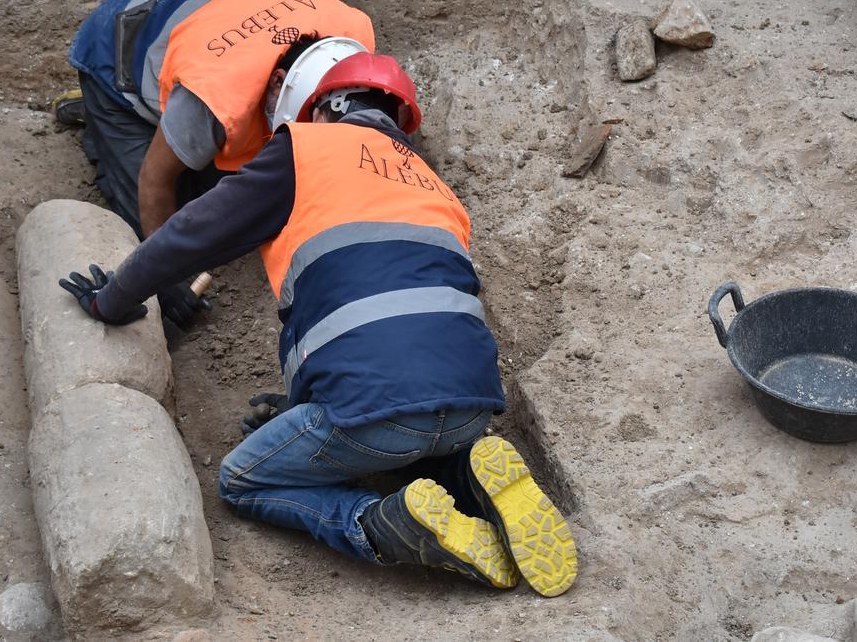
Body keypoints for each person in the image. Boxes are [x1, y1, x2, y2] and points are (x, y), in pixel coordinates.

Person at [58, 54, 578, 596]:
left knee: (244, 480)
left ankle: (384, 525)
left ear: (326, 108)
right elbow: (407, 320)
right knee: (408, 430)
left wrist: (112, 301)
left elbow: (193, 233)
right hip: (471, 407)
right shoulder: (434, 187)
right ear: (398, 121)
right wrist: (297, 404)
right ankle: (470, 477)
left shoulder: (303, 150)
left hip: (378, 417)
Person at [60, 0, 375, 325]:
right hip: (119, 49)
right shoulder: (215, 97)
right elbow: (154, 182)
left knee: (233, 170)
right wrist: (168, 279)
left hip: (207, 6)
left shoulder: (355, 37)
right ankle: (101, 112)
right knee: (168, 208)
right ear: (275, 84)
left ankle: (161, 122)